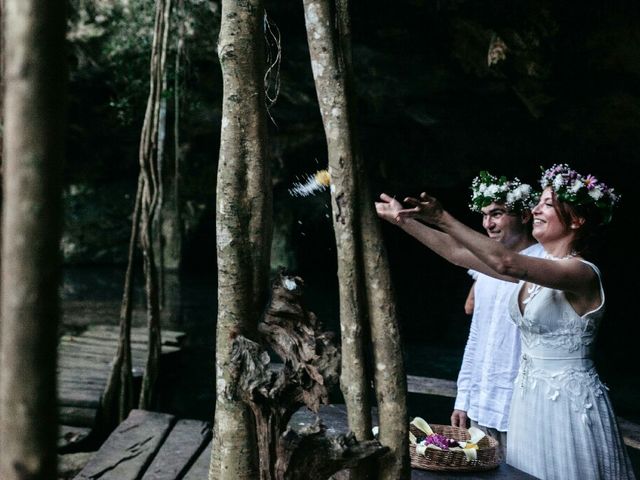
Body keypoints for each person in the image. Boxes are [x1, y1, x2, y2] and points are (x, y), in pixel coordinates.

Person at [391, 164, 635, 480]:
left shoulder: (581, 272)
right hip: (527, 400)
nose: (535, 209)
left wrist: (443, 217)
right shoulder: (531, 270)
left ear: (576, 220)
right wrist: (403, 220)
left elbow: (506, 262)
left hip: (568, 403)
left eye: (547, 204)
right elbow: (456, 253)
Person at [375, 172, 544, 459]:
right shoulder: (484, 268)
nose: (488, 224)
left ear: (525, 215)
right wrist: (464, 397)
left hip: (525, 404)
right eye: (484, 215)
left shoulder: (542, 263)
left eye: (498, 214)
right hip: (483, 401)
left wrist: (431, 218)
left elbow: (464, 252)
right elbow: (477, 335)